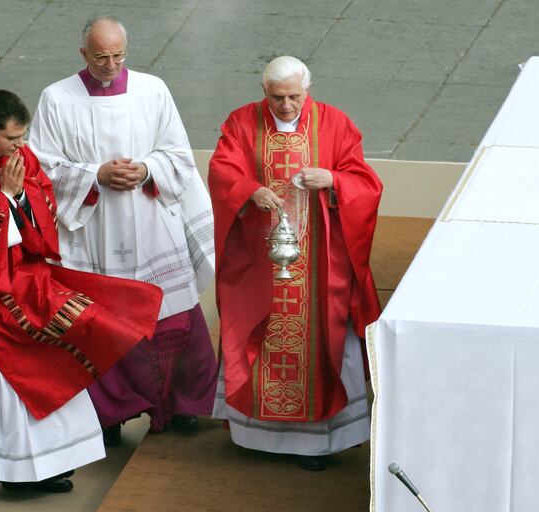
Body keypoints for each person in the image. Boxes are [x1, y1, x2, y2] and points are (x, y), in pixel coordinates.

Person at [0, 89, 163, 508]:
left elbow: (43, 201)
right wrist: (7, 197)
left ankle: (26, 472)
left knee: (49, 359)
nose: (22, 147)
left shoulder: (17, 157)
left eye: (24, 137)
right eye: (13, 138)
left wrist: (21, 196)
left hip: (23, 282)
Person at [29, 16, 217, 442]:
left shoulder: (153, 90)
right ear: (83, 54)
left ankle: (181, 405)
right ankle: (109, 415)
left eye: (118, 55)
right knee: (100, 323)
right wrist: (95, 176)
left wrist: (148, 168)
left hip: (150, 219)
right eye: (101, 57)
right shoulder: (57, 99)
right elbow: (42, 169)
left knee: (169, 314)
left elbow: (178, 156)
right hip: (94, 229)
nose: (112, 64)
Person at [208, 56, 383, 471]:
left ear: (308, 89)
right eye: (277, 98)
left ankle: (314, 445)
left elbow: (366, 182)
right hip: (260, 259)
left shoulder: (335, 123)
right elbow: (221, 171)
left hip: (320, 263)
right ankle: (256, 435)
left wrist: (336, 180)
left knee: (320, 341)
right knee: (260, 336)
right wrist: (250, 191)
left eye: (294, 97)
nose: (286, 106)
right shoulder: (242, 122)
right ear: (263, 91)